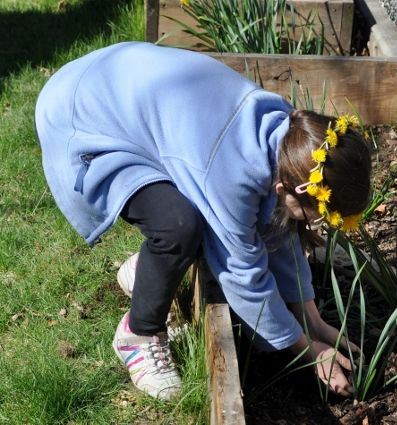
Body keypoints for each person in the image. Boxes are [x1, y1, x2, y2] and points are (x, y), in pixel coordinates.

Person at [34, 41, 372, 401]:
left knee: (207, 219)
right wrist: (308, 350)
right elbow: (242, 275)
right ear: (283, 185)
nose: (317, 223)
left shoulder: (294, 142)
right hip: (81, 116)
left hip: (119, 85)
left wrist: (313, 321)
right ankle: (139, 334)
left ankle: (150, 272)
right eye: (316, 213)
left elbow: (277, 230)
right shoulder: (231, 173)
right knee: (179, 225)